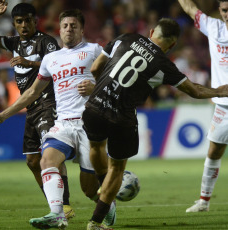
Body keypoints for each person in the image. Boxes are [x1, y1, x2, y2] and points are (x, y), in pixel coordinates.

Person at [81, 18, 228, 230]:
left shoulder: (126, 38)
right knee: (118, 168)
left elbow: (96, 68)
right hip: (122, 117)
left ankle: (102, 183)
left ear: (151, 32)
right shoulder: (163, 64)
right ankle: (95, 222)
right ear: (172, 45)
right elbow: (195, 91)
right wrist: (220, 91)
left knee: (96, 146)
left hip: (94, 106)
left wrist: (101, 88)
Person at [0, 9, 117, 230]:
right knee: (46, 160)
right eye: (65, 26)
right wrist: (4, 114)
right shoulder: (51, 59)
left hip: (89, 125)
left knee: (88, 188)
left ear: (82, 30)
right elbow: (33, 92)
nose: (68, 29)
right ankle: (57, 214)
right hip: (63, 124)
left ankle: (107, 205)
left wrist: (95, 88)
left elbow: (116, 79)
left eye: (73, 26)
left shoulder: (94, 50)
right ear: (59, 29)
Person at [0, 0, 75, 218]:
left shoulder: (46, 41)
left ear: (35, 21)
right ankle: (55, 203)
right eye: (19, 21)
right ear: (14, 23)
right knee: (32, 161)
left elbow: (57, 64)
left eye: (28, 21)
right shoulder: (14, 43)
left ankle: (64, 207)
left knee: (51, 155)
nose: (24, 25)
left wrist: (29, 63)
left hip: (48, 103)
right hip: (30, 107)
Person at [178, 0, 228, 213]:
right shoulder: (213, 26)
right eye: (225, 10)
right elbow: (189, 8)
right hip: (223, 106)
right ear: (219, 10)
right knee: (214, 151)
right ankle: (204, 202)